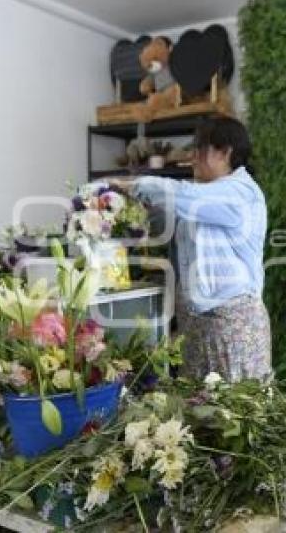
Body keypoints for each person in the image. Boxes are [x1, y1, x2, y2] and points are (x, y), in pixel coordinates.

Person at [110, 116, 271, 383]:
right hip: (197, 324)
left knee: (235, 412)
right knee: (197, 413)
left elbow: (183, 198)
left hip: (231, 324)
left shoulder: (240, 193)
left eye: (199, 149)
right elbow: (167, 222)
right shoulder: (203, 194)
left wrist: (132, 185)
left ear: (225, 152)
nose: (192, 157)